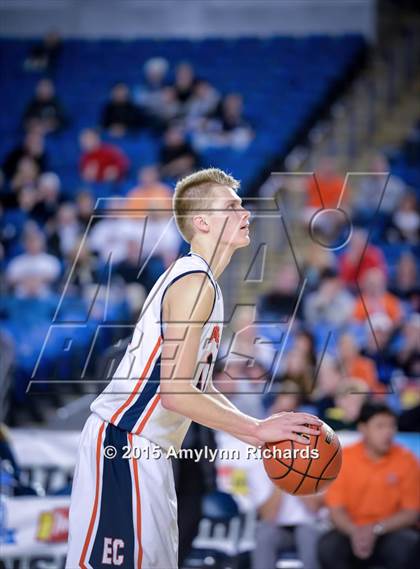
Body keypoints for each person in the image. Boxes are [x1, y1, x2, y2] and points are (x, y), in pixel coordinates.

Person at [65, 168, 322, 569]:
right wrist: (254, 429)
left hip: (149, 449)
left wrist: (254, 429)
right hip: (124, 441)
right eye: (231, 207)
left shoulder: (205, 284)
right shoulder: (194, 283)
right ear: (202, 222)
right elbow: (176, 391)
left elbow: (194, 385)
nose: (245, 213)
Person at [318, 401, 420, 569]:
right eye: (380, 426)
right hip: (351, 530)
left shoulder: (406, 460)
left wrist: (375, 529)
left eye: (391, 426)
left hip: (390, 529)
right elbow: (336, 510)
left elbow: (411, 512)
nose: (388, 433)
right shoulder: (344, 459)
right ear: (363, 428)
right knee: (329, 547)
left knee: (409, 545)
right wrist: (356, 533)